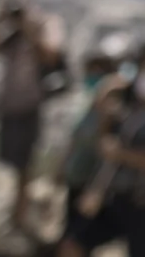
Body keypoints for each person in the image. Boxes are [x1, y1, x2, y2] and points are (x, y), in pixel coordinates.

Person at [62, 42, 145, 257]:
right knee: (73, 244)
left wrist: (122, 154)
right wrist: (103, 100)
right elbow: (104, 146)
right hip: (115, 196)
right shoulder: (128, 107)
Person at [0, 0, 66, 233]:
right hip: (9, 106)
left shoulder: (44, 27)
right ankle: (15, 213)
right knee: (11, 162)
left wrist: (29, 27)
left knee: (24, 166)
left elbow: (50, 55)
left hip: (29, 107)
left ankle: (20, 216)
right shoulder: (11, 36)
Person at [56, 56, 127, 254]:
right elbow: (74, 140)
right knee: (70, 238)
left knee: (76, 242)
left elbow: (108, 152)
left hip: (92, 185)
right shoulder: (85, 105)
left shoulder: (113, 112)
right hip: (75, 181)